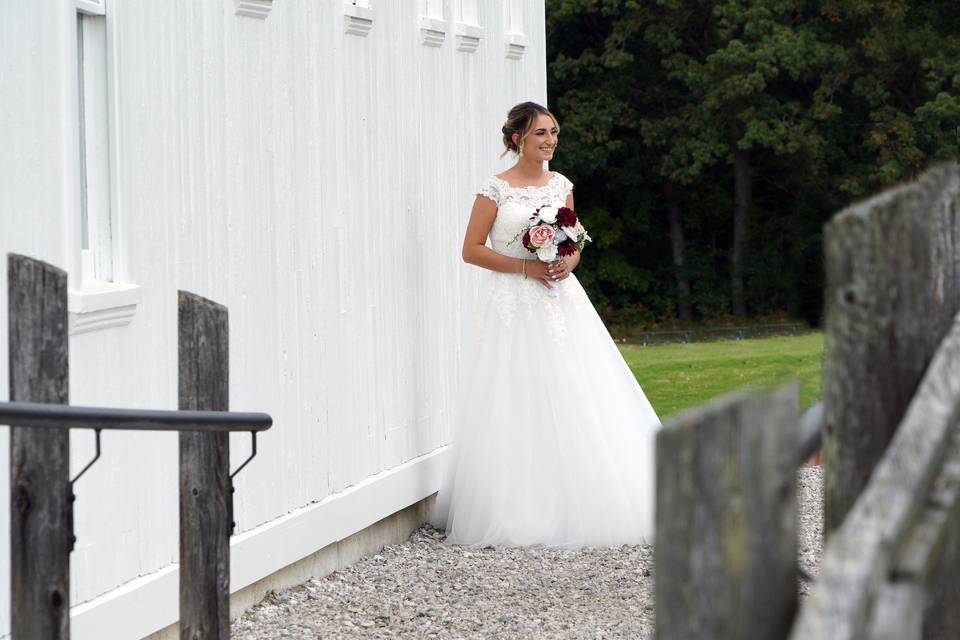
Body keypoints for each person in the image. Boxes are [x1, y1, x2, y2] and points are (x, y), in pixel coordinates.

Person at [429, 101, 662, 548]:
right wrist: (524, 269)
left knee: (575, 386)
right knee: (514, 393)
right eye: (541, 133)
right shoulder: (495, 190)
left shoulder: (561, 185)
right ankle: (517, 505)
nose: (550, 140)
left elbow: (573, 241)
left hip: (559, 298)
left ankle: (587, 496)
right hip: (512, 302)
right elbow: (471, 249)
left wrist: (568, 263)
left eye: (554, 132)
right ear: (518, 139)